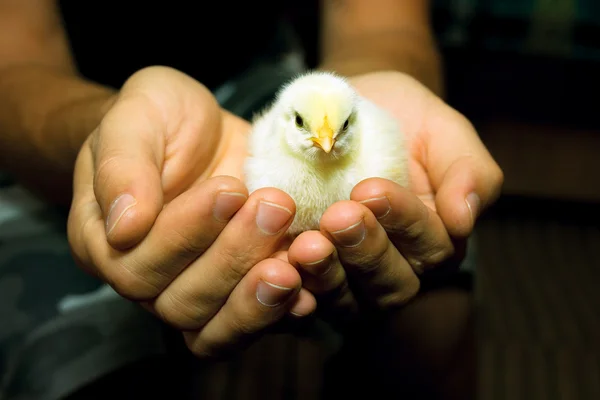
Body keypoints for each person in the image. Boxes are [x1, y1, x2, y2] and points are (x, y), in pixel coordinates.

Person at [0, 1, 503, 399]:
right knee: (88, 369)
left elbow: (381, 26)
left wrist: (383, 82)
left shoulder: (332, 126)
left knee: (433, 325)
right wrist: (105, 134)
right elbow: (13, 65)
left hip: (264, 69)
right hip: (59, 95)